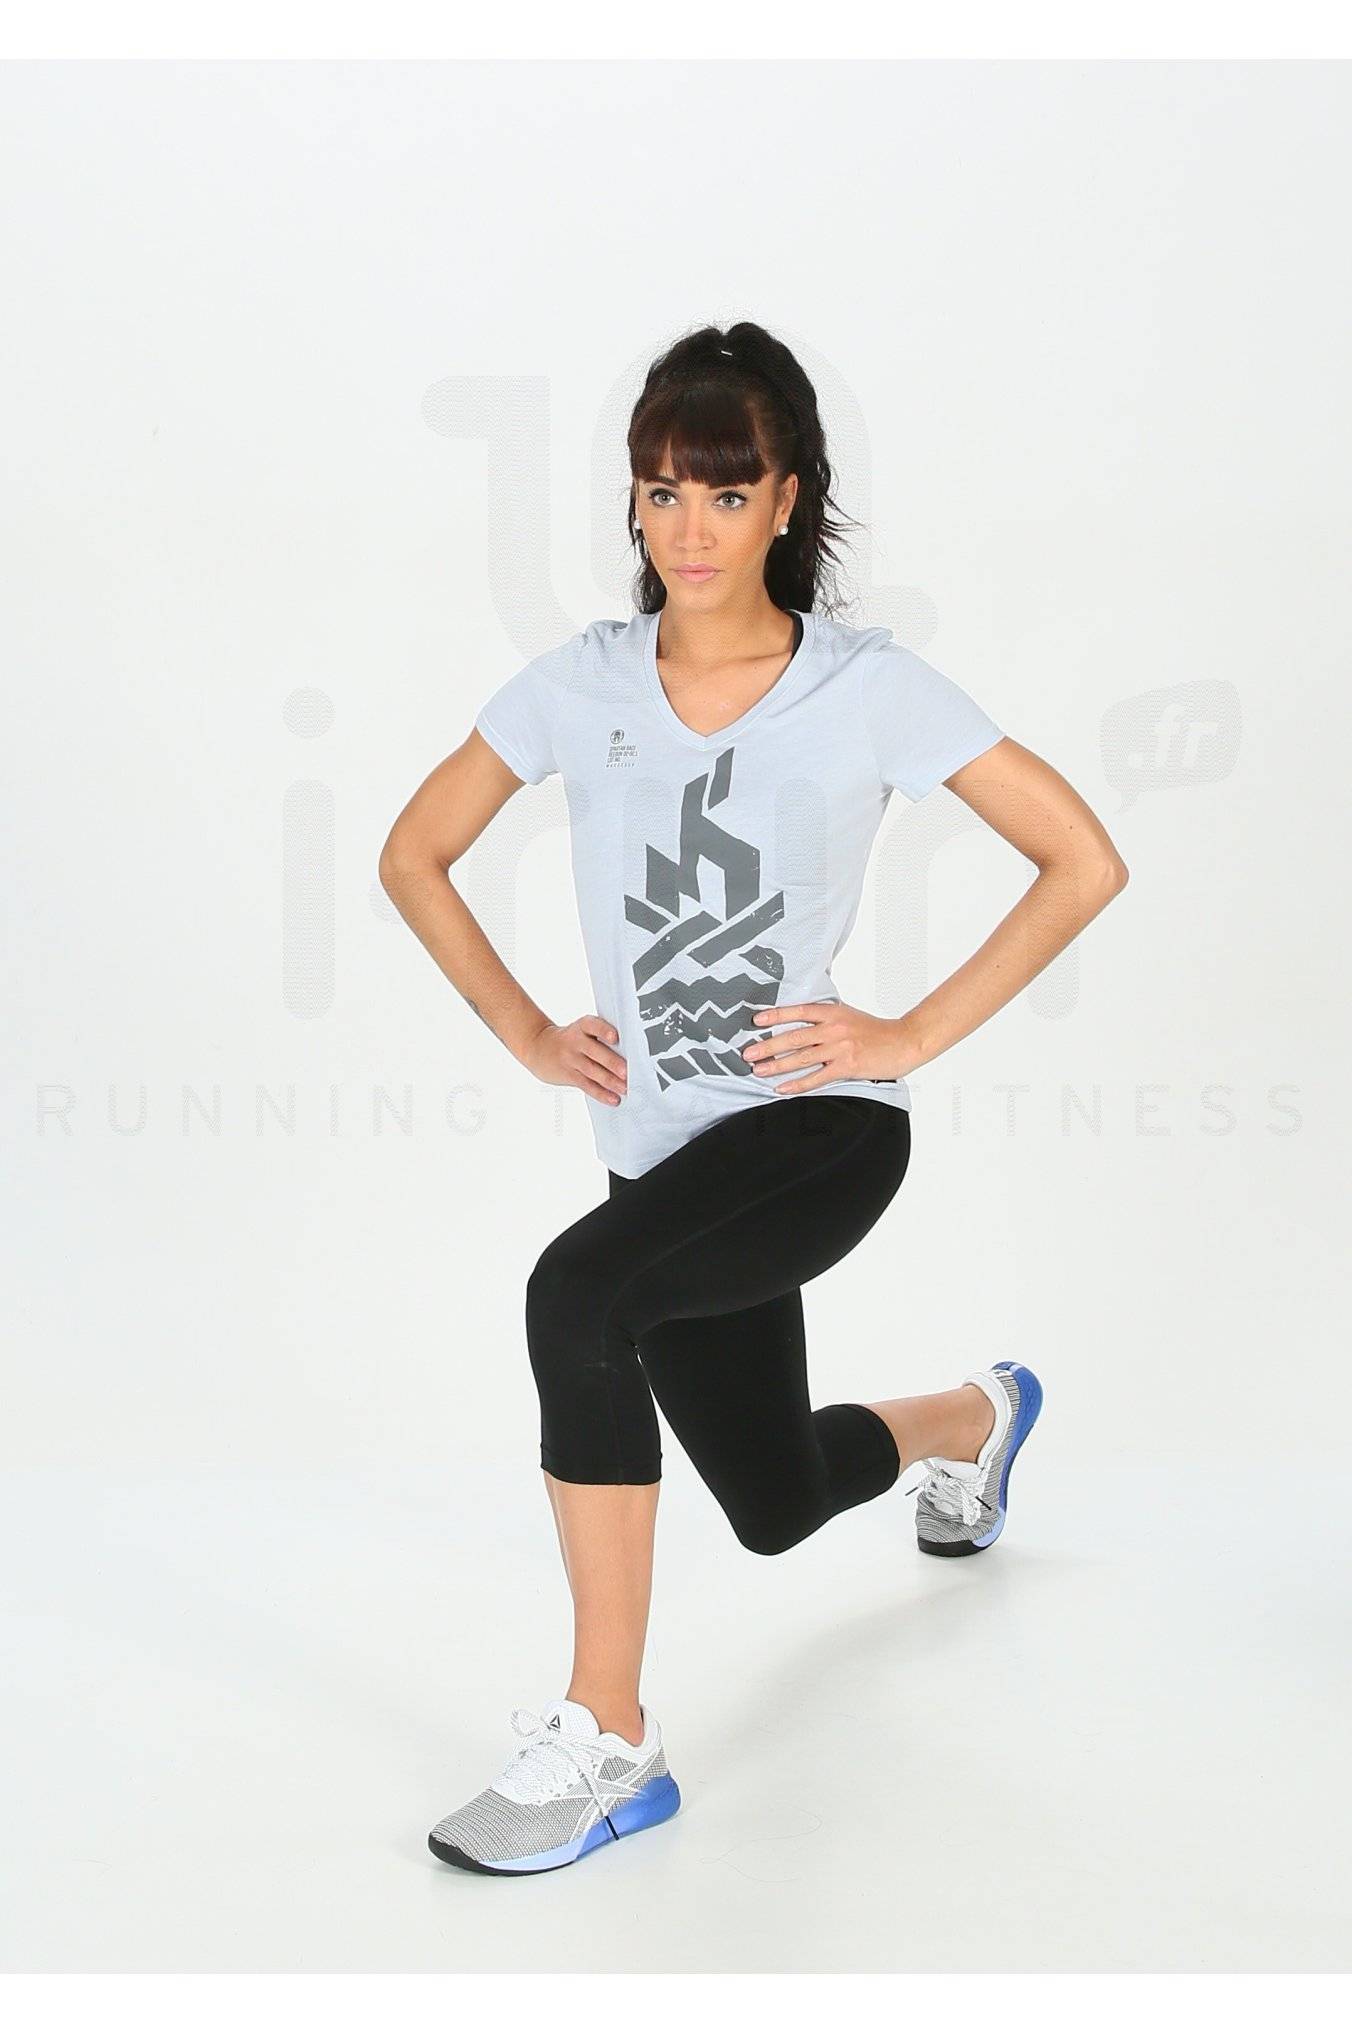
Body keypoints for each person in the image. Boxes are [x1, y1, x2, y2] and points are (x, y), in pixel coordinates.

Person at [378, 320, 1129, 1878]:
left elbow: (1082, 859)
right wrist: (529, 1031)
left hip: (819, 1131)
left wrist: (906, 1029)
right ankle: (979, 1417)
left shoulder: (868, 687)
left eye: (727, 492)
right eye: (662, 491)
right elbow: (413, 852)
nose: (690, 528)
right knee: (775, 1498)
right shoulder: (581, 682)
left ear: (789, 498)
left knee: (577, 1298)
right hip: (663, 1159)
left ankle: (609, 1740)